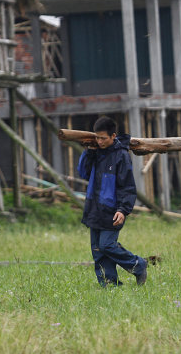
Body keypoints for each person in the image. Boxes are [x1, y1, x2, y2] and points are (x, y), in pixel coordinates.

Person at [77, 116, 147, 287]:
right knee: (98, 251)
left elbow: (127, 187)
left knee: (107, 245)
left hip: (112, 210)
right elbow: (83, 173)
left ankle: (137, 265)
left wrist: (123, 210)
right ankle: (109, 284)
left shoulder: (121, 156)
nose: (99, 141)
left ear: (113, 136)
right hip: (94, 208)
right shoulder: (95, 152)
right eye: (97, 137)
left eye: (103, 138)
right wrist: (88, 151)